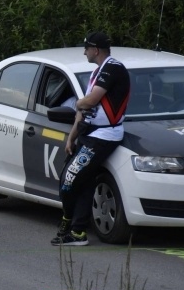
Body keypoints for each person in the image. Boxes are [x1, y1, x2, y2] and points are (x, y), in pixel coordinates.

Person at [52, 31, 130, 247]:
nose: (84, 52)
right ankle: (78, 232)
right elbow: (84, 111)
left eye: (86, 48)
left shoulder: (113, 68)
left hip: (105, 135)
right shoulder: (97, 71)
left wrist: (78, 103)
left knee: (69, 180)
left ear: (95, 50)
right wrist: (71, 138)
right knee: (81, 182)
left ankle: (68, 222)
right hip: (89, 133)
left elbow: (89, 101)